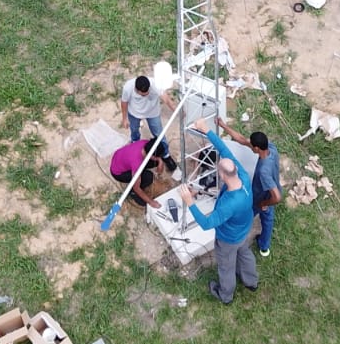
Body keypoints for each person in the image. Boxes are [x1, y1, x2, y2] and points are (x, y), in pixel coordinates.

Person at [179, 120, 257, 304]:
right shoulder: (243, 176)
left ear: (221, 175)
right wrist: (207, 131)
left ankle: (226, 295)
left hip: (228, 239)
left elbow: (207, 224)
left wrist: (190, 202)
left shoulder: (229, 204)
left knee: (226, 267)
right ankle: (251, 281)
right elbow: (225, 150)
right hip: (244, 229)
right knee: (244, 254)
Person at [219, 117, 281, 258]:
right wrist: (223, 125)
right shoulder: (271, 148)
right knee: (268, 220)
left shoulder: (264, 171)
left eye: (252, 146)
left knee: (243, 218)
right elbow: (242, 140)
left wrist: (263, 203)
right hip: (269, 193)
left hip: (259, 198)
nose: (250, 146)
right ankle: (264, 247)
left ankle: (237, 242)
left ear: (257, 148)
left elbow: (277, 197)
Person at [120, 71, 179, 179]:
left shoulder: (155, 84)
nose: (146, 94)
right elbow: (124, 102)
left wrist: (176, 110)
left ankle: (166, 155)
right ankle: (135, 146)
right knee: (134, 131)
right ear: (136, 90)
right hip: (134, 113)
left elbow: (166, 99)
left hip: (152, 113)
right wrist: (124, 118)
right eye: (143, 94)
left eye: (147, 92)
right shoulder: (128, 88)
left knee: (159, 134)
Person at [109, 136, 161, 209]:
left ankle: (132, 172)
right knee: (148, 177)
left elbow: (152, 156)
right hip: (118, 173)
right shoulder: (137, 164)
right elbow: (137, 188)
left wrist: (159, 160)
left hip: (119, 159)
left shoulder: (146, 143)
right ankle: (132, 192)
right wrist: (151, 202)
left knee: (152, 163)